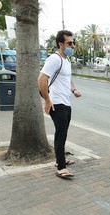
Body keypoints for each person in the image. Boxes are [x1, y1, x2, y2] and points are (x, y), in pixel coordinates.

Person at [38, 30, 82, 179]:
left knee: (62, 133)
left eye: (73, 43)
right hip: (57, 103)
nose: (73, 45)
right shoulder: (54, 59)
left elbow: (66, 79)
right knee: (60, 135)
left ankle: (60, 160)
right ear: (60, 44)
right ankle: (61, 167)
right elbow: (41, 79)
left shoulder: (67, 60)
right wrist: (48, 101)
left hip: (66, 102)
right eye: (70, 43)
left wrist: (74, 89)